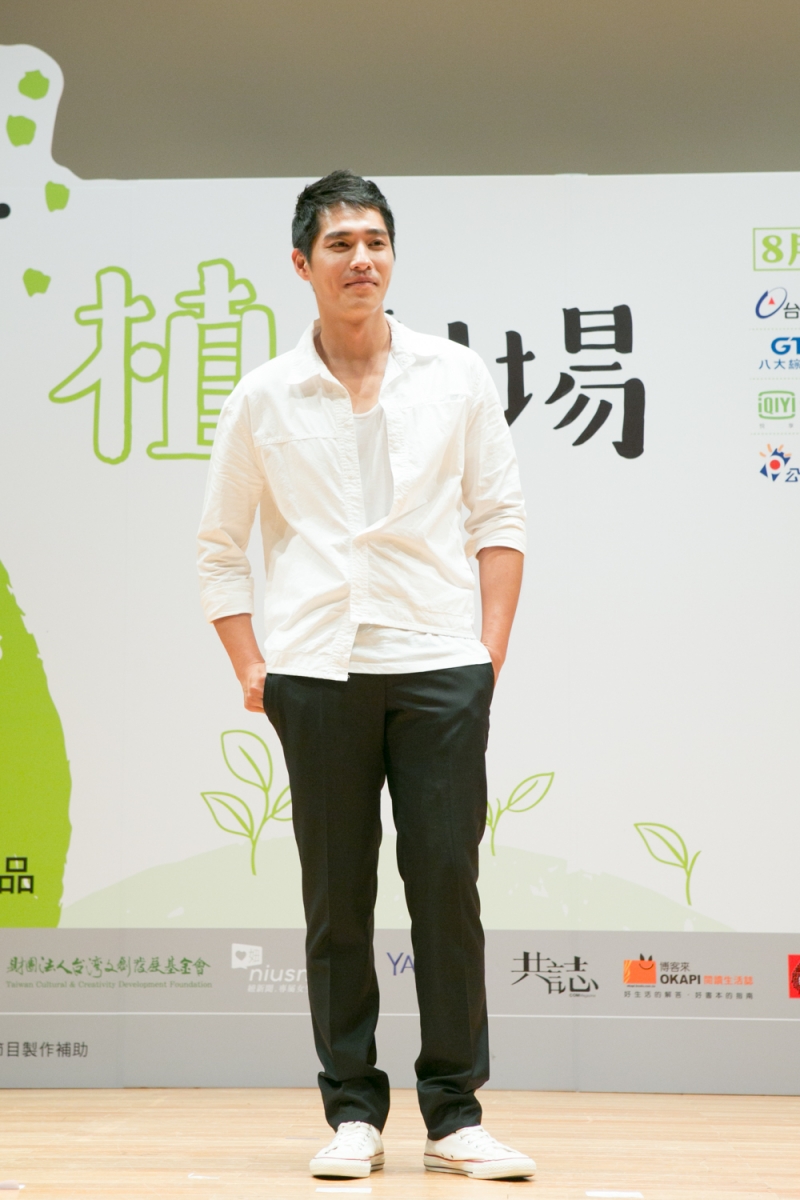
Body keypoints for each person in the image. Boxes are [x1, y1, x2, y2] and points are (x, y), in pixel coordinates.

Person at [197, 170, 535, 1181]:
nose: (361, 259)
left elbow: (499, 517)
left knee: (446, 889)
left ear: (394, 258)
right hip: (316, 673)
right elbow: (219, 547)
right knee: (336, 899)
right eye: (339, 243)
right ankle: (351, 1110)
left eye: (375, 241)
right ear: (301, 264)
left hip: (438, 667)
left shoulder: (454, 376)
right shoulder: (264, 396)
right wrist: (252, 664)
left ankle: (454, 1115)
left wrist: (486, 655)